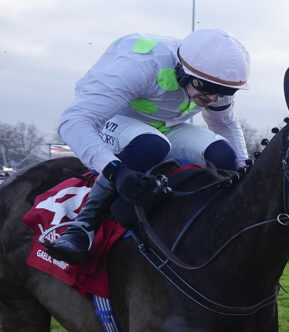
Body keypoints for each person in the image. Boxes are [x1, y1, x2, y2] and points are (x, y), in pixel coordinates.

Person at [44, 28, 251, 265]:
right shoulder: (139, 65)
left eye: (225, 92)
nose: (216, 98)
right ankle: (82, 227)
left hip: (167, 127)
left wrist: (244, 167)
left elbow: (225, 126)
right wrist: (115, 170)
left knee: (224, 156)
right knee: (152, 144)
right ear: (184, 71)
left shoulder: (214, 80)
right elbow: (74, 121)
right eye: (208, 89)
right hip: (112, 118)